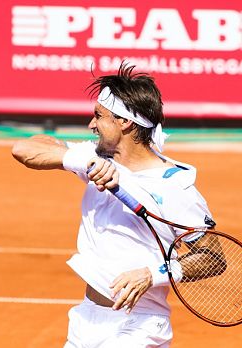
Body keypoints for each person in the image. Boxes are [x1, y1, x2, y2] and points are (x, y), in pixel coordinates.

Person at [12, 63, 215, 347]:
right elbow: (23, 149)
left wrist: (152, 274)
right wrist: (84, 161)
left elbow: (212, 257)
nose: (91, 125)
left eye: (99, 116)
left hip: (138, 325)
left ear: (125, 122)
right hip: (87, 319)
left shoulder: (174, 186)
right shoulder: (96, 158)